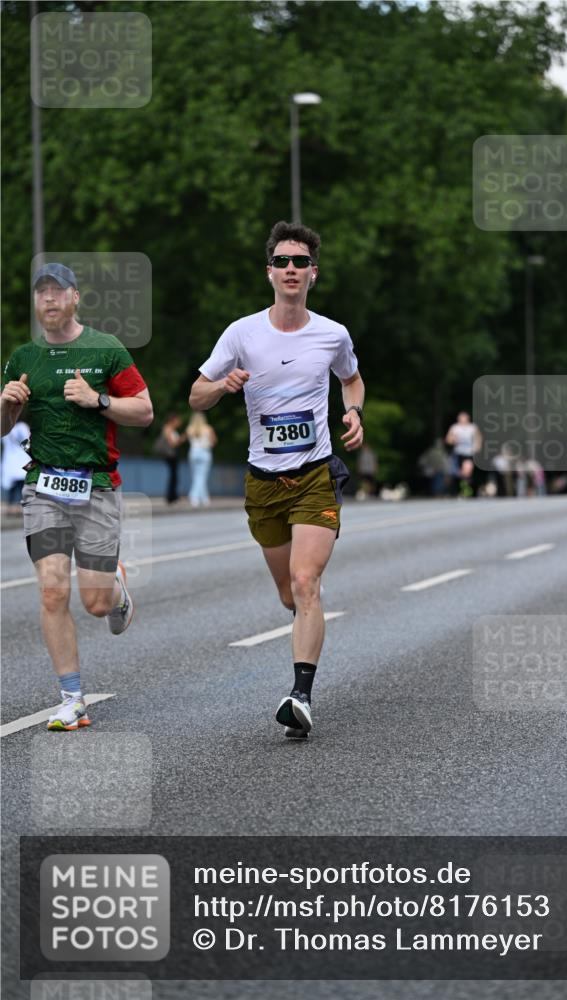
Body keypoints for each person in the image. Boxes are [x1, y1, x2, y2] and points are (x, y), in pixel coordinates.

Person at [190, 221, 364, 739]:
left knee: (306, 582)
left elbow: (350, 378)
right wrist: (223, 385)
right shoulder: (241, 333)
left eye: (301, 262)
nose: (292, 269)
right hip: (264, 480)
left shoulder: (332, 334)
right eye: (283, 261)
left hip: (315, 474)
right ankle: (303, 604)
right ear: (270, 271)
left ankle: (300, 696)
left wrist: (353, 412)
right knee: (290, 592)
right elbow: (195, 395)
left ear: (314, 273)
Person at [0, 263, 153, 730]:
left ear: (75, 298)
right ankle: (72, 698)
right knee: (51, 589)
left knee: (96, 604)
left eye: (57, 291)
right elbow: (3, 429)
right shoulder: (23, 357)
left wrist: (98, 401)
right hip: (43, 485)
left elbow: (144, 411)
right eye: (41, 292)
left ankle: (116, 588)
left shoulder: (105, 349)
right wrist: (6, 408)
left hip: (98, 486)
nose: (48, 299)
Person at [445, 411, 482, 497]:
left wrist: (477, 447)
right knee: (460, 473)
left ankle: (466, 490)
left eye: (463, 418)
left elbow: (478, 437)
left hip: (469, 453)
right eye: (460, 418)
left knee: (467, 470)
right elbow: (448, 439)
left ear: (467, 418)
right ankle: (460, 489)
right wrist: (453, 440)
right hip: (458, 452)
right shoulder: (455, 427)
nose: (462, 419)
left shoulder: (472, 427)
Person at [186, 411, 217, 506]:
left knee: (197, 476)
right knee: (202, 477)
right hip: (205, 453)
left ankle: (205, 499)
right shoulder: (208, 429)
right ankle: (193, 497)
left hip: (193, 453)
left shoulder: (189, 429)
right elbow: (214, 441)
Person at [154, 413, 186, 504]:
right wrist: (181, 439)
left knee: (174, 475)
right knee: (173, 476)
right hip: (170, 455)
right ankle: (171, 497)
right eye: (177, 420)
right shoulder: (168, 429)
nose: (179, 422)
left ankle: (173, 495)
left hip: (172, 455)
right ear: (173, 420)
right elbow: (172, 444)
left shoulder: (170, 429)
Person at [1, 418, 30, 507]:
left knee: (14, 486)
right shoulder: (22, 427)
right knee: (20, 486)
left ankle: (12, 506)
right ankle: (16, 506)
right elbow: (28, 444)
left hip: (11, 462)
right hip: (21, 461)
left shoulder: (5, 427)